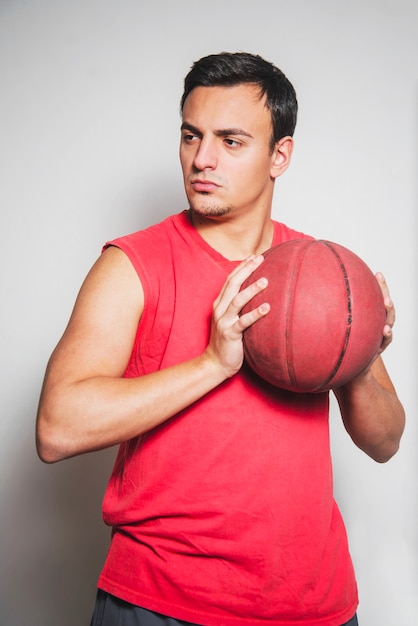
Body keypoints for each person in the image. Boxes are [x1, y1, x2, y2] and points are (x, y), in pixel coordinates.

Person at [36, 52, 405, 626]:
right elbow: (57, 428)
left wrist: (356, 362)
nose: (201, 159)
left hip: (313, 606)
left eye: (231, 141)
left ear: (279, 154)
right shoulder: (133, 265)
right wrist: (212, 363)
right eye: (191, 136)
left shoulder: (323, 275)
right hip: (162, 603)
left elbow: (386, 443)